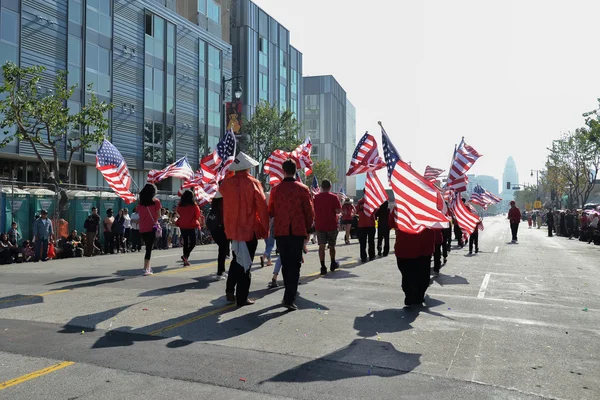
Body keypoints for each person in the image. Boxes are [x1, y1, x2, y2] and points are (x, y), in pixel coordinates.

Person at [219, 152, 269, 307]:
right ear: (248, 168)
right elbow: (261, 207)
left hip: (233, 229)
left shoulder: (227, 184)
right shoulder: (254, 183)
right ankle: (241, 297)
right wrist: (265, 228)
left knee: (237, 260)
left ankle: (229, 290)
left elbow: (221, 193)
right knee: (246, 264)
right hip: (249, 229)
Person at [269, 159, 314, 310]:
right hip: (297, 231)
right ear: (295, 170)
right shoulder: (303, 189)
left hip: (281, 231)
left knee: (285, 262)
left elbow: (271, 211)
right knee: (295, 264)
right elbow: (309, 212)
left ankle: (288, 293)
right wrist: (308, 229)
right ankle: (289, 297)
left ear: (283, 170)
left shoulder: (276, 190)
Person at [391, 212, 436, 306]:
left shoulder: (400, 206)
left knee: (407, 274)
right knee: (422, 274)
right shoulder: (429, 205)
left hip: (405, 246)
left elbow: (391, 223)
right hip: (424, 246)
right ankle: (418, 295)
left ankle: (410, 295)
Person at [313, 179, 341, 275]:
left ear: (321, 187)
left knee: (321, 246)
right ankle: (333, 262)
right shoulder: (334, 197)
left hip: (320, 225)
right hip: (331, 225)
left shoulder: (315, 198)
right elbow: (338, 211)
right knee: (332, 246)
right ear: (330, 187)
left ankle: (323, 266)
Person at [138, 183, 161, 275]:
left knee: (148, 246)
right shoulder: (156, 202)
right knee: (149, 248)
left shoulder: (140, 204)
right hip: (152, 227)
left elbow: (140, 215)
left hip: (142, 227)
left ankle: (148, 266)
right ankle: (145, 268)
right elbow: (159, 215)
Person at [176, 190, 202, 266]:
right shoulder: (194, 205)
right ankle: (185, 256)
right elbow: (197, 215)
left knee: (185, 243)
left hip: (183, 224)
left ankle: (185, 259)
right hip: (191, 224)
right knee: (193, 242)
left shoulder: (180, 204)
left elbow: (178, 212)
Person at [207, 191, 229, 280]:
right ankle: (220, 272)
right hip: (222, 228)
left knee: (222, 250)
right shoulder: (223, 204)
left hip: (214, 229)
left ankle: (222, 271)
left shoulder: (214, 204)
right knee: (223, 250)